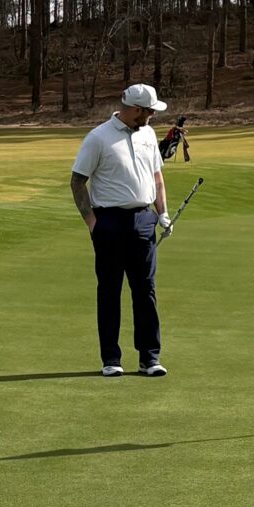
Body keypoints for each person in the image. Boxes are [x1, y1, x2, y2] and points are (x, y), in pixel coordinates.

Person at [70, 82, 172, 378]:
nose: (152, 116)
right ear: (136, 110)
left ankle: (149, 358)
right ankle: (111, 358)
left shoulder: (149, 134)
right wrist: (93, 224)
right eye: (149, 112)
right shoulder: (98, 138)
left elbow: (156, 176)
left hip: (143, 221)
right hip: (109, 222)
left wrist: (162, 213)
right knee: (110, 291)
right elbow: (77, 181)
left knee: (145, 291)